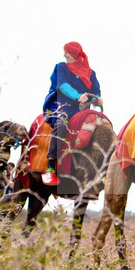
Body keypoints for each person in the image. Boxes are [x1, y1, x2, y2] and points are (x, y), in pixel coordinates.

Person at [42, 42, 102, 182]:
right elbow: (62, 86)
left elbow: (96, 90)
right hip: (63, 107)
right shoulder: (61, 67)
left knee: (101, 129)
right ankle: (51, 167)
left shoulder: (90, 73)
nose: (65, 55)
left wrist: (98, 98)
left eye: (67, 52)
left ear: (75, 53)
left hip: (83, 111)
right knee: (61, 125)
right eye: (65, 52)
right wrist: (77, 96)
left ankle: (100, 169)